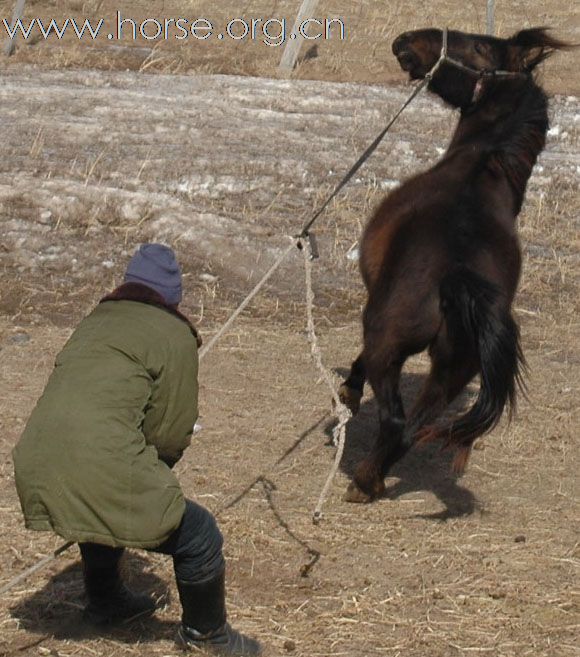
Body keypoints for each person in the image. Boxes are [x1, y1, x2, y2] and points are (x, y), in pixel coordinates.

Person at [12, 243, 261, 656]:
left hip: (36, 463)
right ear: (173, 297)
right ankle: (207, 636)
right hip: (94, 462)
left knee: (102, 501)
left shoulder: (95, 320)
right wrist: (153, 472)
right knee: (199, 535)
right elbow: (168, 434)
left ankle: (106, 603)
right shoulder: (175, 335)